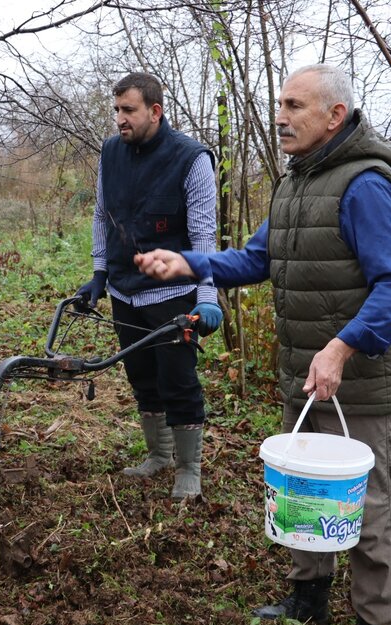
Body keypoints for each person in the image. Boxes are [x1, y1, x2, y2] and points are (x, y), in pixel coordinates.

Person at [133, 63, 391, 625]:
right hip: (306, 377)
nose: (280, 117)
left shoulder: (364, 186)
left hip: (358, 383)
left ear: (335, 116)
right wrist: (189, 264)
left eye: (294, 105)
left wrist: (340, 349)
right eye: (279, 104)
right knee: (304, 491)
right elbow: (257, 258)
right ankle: (308, 598)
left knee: (367, 510)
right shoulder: (297, 182)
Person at [75, 72, 223, 500]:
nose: (120, 118)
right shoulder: (111, 152)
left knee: (178, 380)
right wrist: (100, 273)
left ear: (155, 111)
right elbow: (102, 215)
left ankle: (188, 468)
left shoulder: (191, 159)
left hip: (173, 294)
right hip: (125, 290)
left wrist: (207, 297)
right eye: (117, 110)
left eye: (129, 110)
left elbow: (203, 236)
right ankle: (159, 455)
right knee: (141, 377)